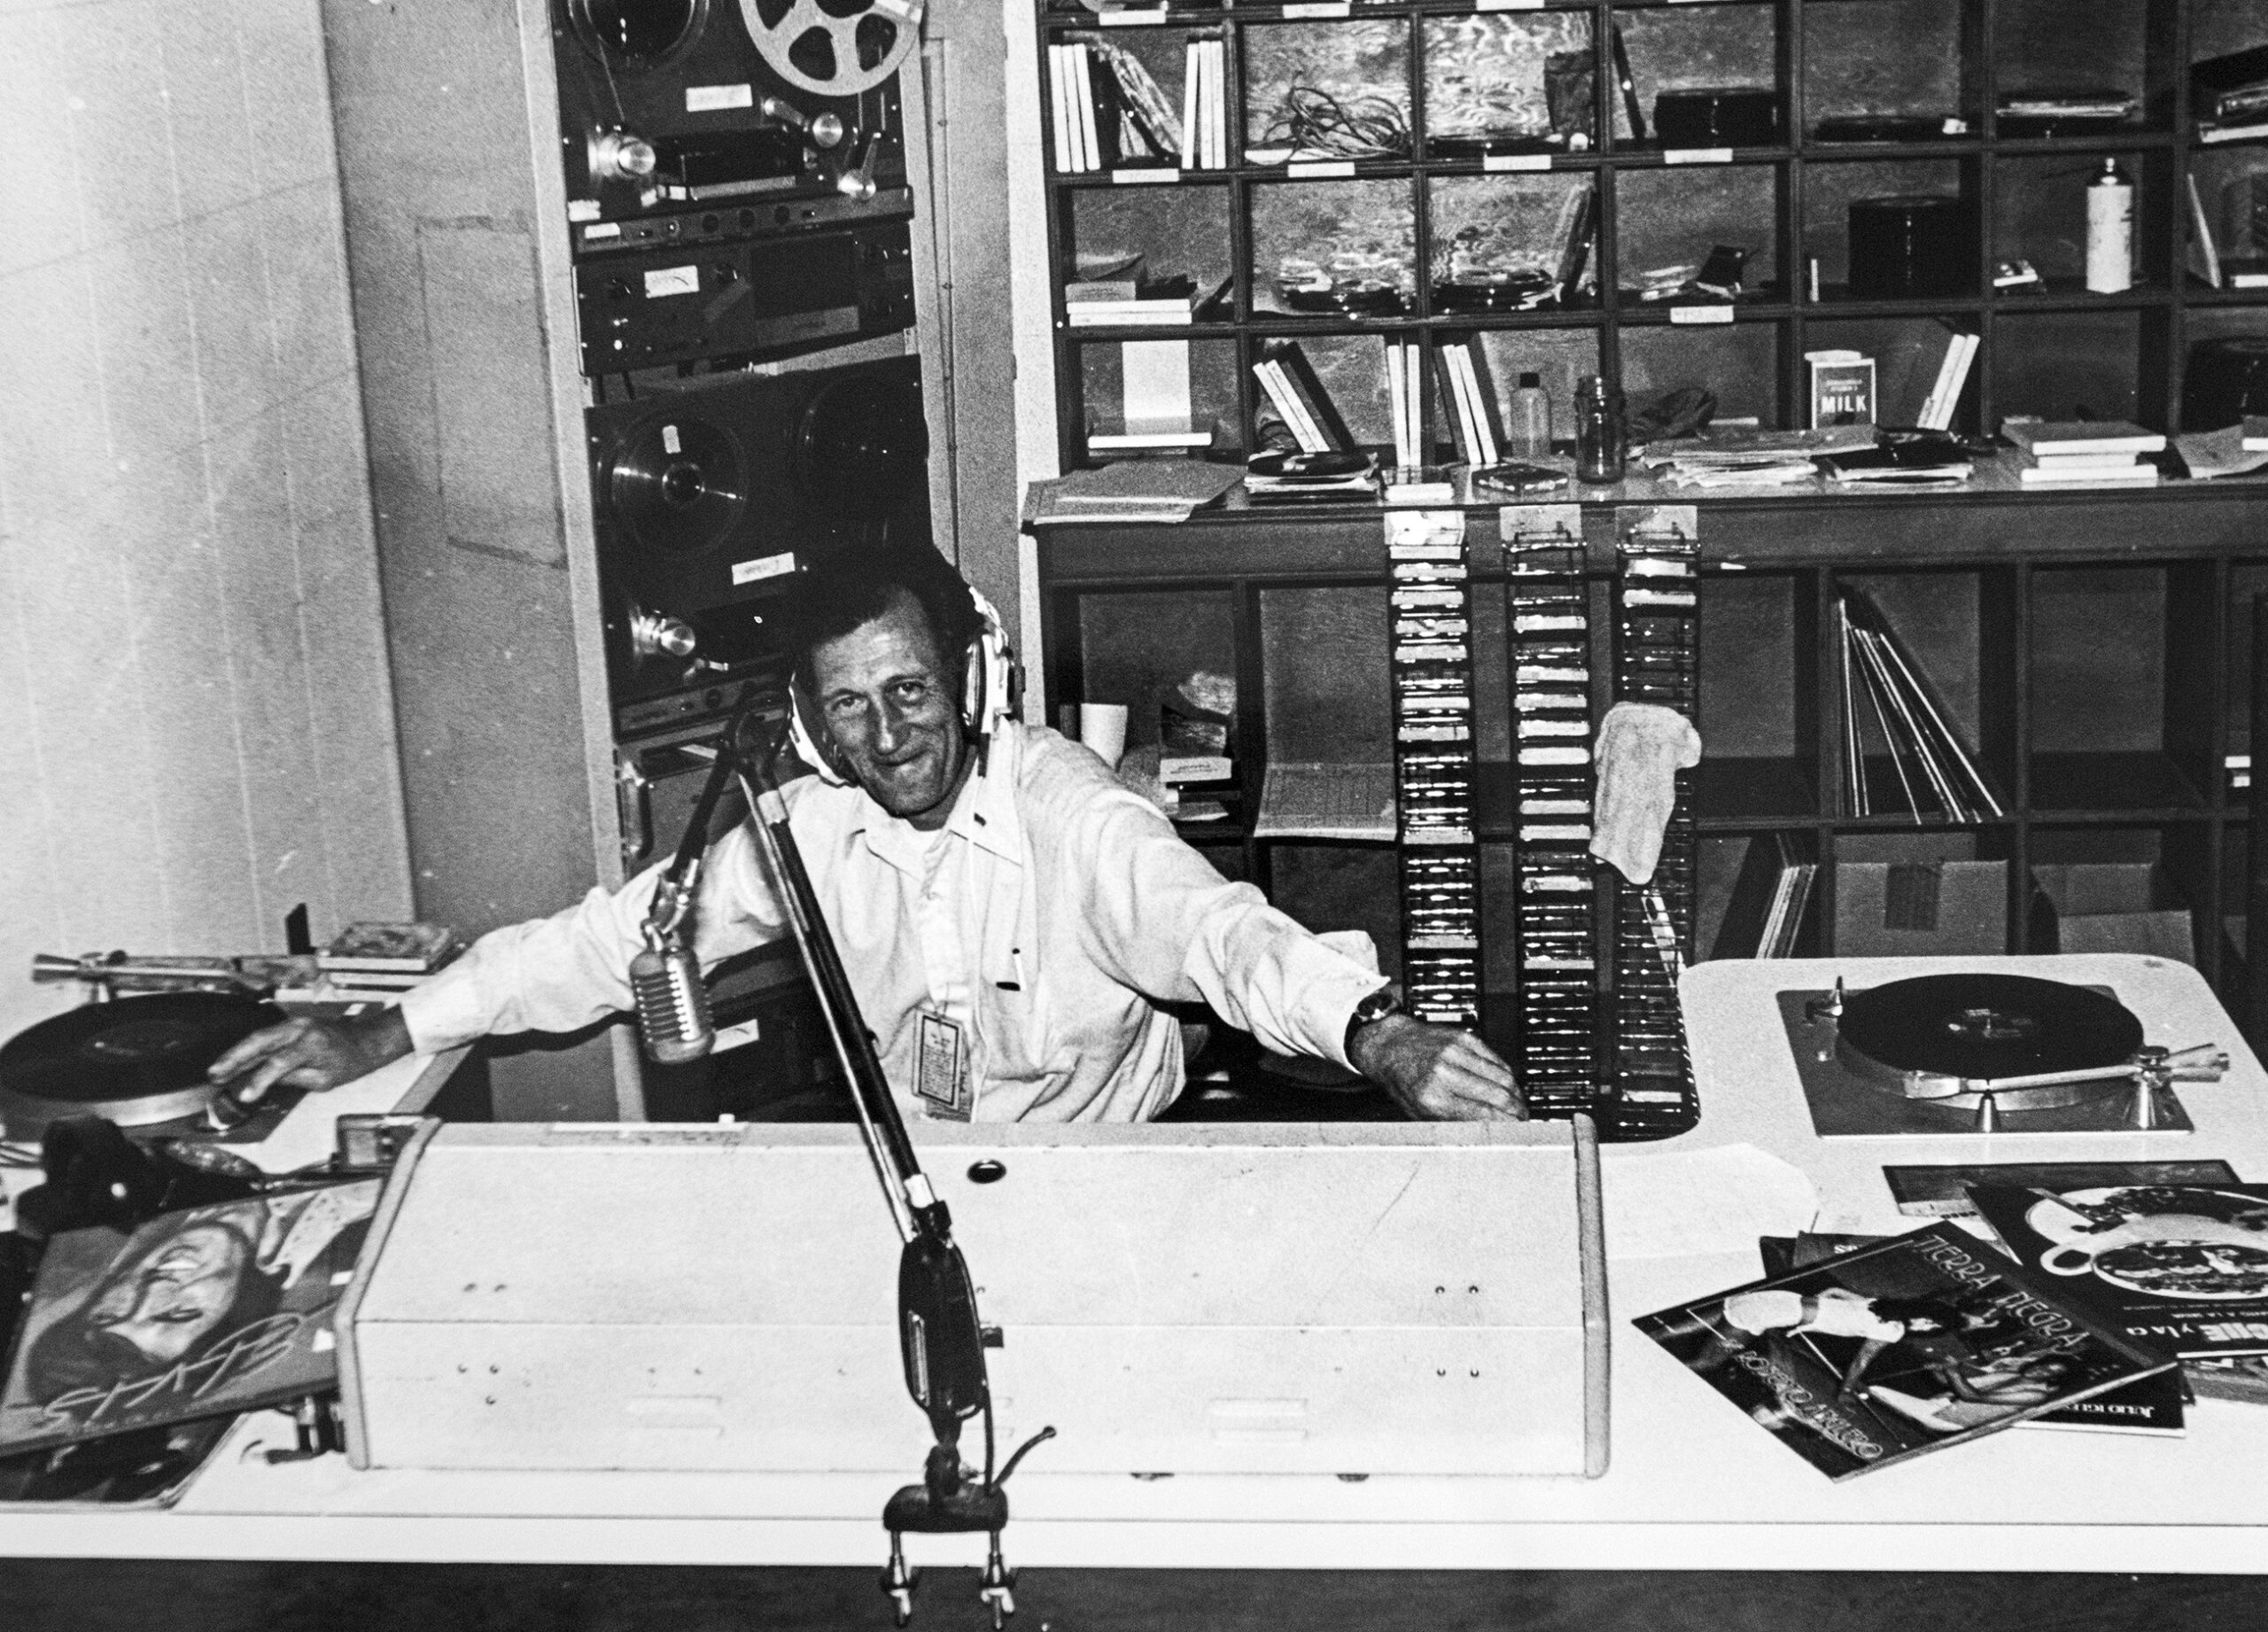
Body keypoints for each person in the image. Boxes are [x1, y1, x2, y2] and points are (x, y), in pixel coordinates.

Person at [210, 546, 1523, 1123]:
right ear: (811, 724)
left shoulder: (1075, 812)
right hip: (919, 1176)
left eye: (908, 692)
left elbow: (1222, 935)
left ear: (967, 680)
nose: (887, 735)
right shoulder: (808, 830)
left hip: (1103, 1171)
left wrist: (1380, 1029)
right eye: (848, 708)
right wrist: (384, 1030)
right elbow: (615, 939)